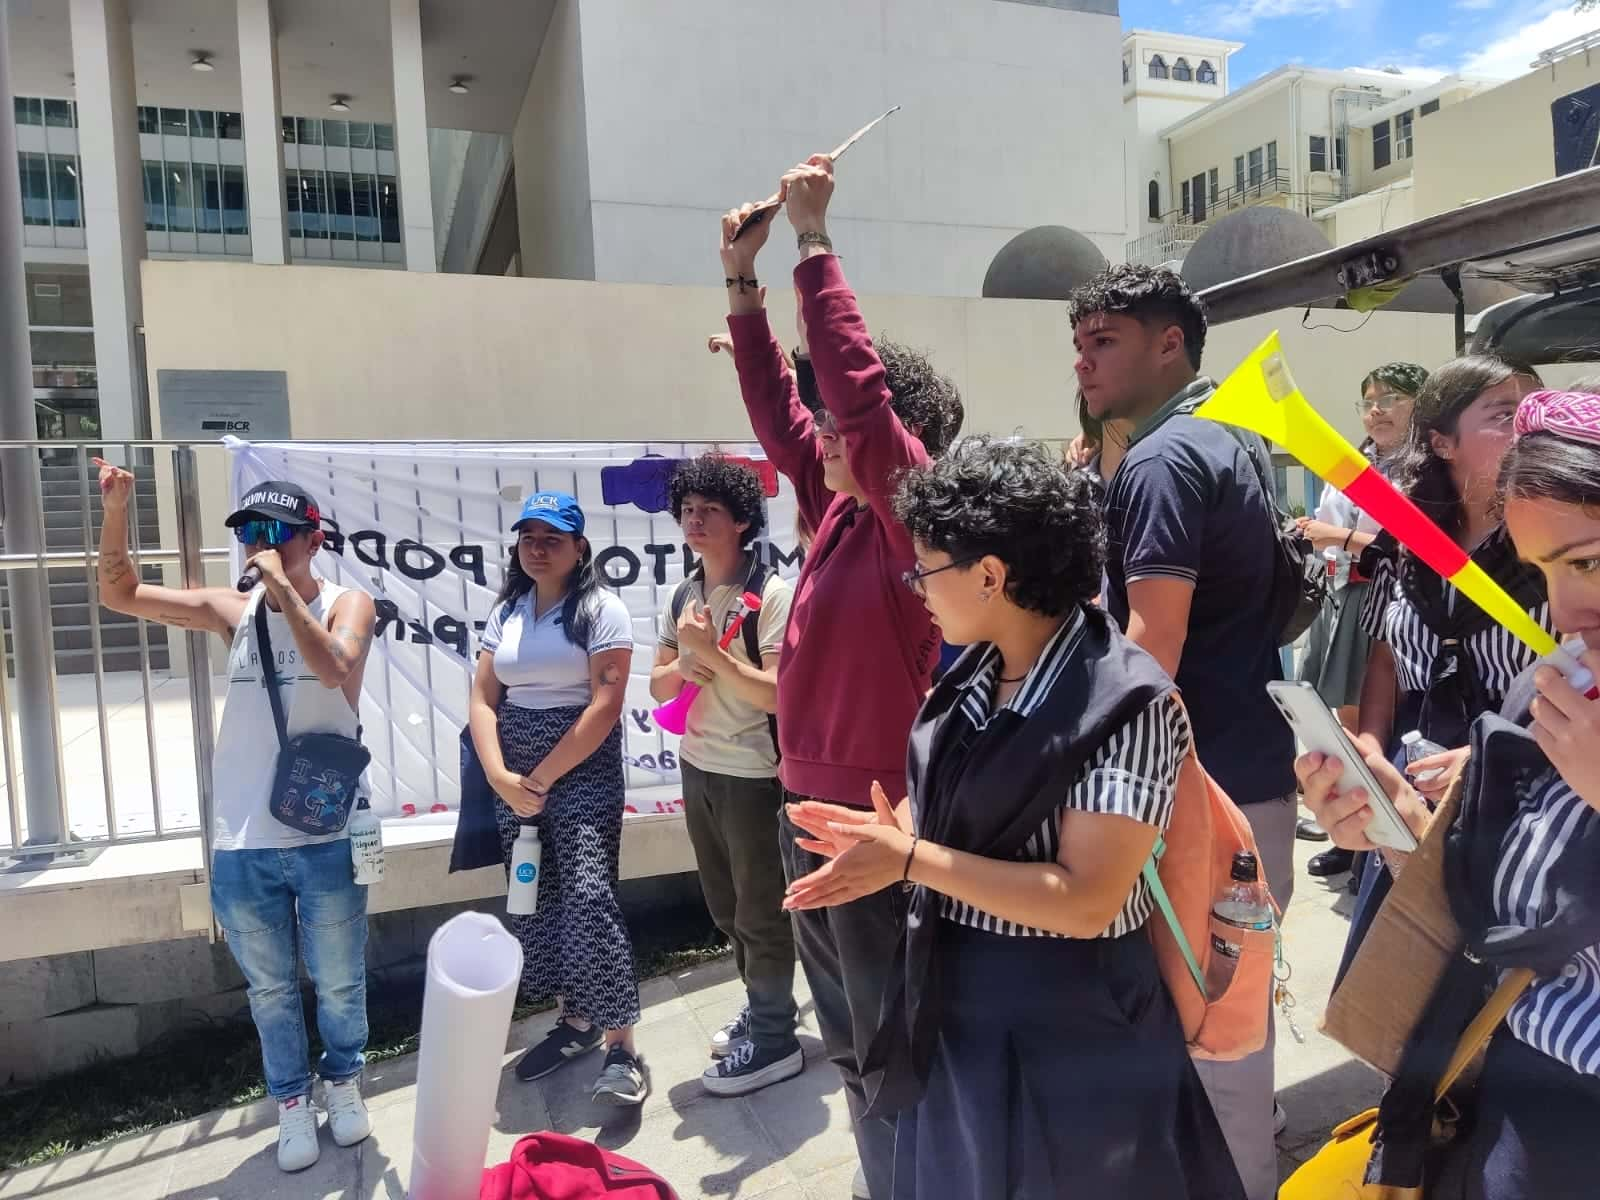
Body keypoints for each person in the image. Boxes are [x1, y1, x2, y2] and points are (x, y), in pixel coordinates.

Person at [783, 436, 1245, 1200]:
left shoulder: (1125, 702)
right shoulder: (984, 666)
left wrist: (906, 861)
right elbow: (944, 793)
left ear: (991, 576)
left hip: (1069, 1028)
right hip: (965, 1009)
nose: (917, 587)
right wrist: (885, 834)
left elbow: (1088, 899)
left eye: (927, 568)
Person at [719, 153, 962, 1200]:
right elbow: (784, 412)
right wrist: (742, 281)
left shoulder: (910, 522)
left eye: (838, 424)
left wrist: (817, 245)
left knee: (894, 1055)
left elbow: (854, 403)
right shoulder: (837, 522)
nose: (812, 432)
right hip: (803, 813)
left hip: (875, 827)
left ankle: (917, 1181)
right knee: (854, 1050)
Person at [1296, 383, 1600, 1199]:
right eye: (1544, 571)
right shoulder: (1560, 690)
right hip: (1514, 1107)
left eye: (1588, 560)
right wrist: (1405, 830)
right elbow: (1504, 914)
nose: (1566, 610)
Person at [1066, 263, 1294, 1200]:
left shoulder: (1162, 461)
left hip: (1196, 788)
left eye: (1104, 341)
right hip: (1247, 762)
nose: (1083, 363)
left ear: (1171, 344)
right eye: (1078, 345)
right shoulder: (1232, 439)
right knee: (1236, 1018)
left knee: (1212, 1030)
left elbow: (1150, 649)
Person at [95, 469, 378, 1173]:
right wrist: (117, 512)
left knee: (340, 981)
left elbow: (335, 668)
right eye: (251, 533)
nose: (259, 546)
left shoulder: (352, 604)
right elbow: (120, 592)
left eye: (275, 534)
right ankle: (290, 1100)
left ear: (314, 539)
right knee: (271, 988)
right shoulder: (233, 610)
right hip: (244, 840)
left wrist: (280, 588)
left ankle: (343, 1081)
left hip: (326, 834)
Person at [1329, 358, 1552, 976]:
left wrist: (1496, 755)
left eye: (1530, 410)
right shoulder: (1405, 540)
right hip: (1413, 784)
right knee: (1404, 991)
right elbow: (1384, 656)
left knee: (1491, 991)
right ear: (1441, 441)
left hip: (1523, 790)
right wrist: (1370, 753)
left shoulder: (1558, 545)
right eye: (1503, 416)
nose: (1526, 427)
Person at [467, 491, 647, 1107]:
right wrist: (499, 775)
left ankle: (623, 1047)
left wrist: (539, 779)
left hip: (580, 769)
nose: (537, 549)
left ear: (579, 548)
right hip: (513, 773)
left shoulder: (602, 610)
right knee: (537, 902)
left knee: (590, 898)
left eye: (552, 538)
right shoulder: (509, 610)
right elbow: (483, 698)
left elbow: (604, 707)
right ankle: (577, 1022)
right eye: (528, 538)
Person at [648, 454, 801, 1096]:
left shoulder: (771, 594)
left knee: (761, 910)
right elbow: (658, 688)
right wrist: (689, 661)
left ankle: (774, 1041)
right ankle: (765, 1008)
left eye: (710, 509)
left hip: (752, 774)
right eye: (687, 509)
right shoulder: (684, 595)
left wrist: (712, 657)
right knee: (725, 907)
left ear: (742, 520)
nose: (694, 520)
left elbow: (777, 694)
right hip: (698, 767)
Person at [1294, 362, 1426, 865]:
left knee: (1362, 718)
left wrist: (1340, 538)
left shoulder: (1422, 468)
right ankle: (1348, 837)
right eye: (1369, 399)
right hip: (1337, 592)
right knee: (1334, 719)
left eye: (1391, 397)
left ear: (1421, 402)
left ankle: (1370, 839)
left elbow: (1412, 547)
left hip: (1376, 597)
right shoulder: (1354, 461)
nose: (1377, 409)